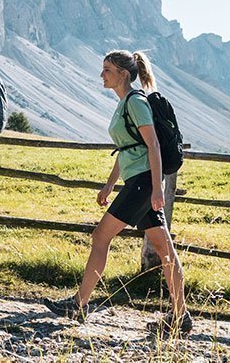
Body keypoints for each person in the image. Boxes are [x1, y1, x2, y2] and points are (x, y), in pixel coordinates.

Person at [43, 50, 192, 336]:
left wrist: (156, 189)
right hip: (139, 180)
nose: (102, 74)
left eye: (107, 69)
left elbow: (153, 146)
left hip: (143, 182)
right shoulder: (126, 103)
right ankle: (180, 317)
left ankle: (79, 304)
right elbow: (128, 149)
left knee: (100, 236)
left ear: (123, 73)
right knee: (165, 250)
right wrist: (110, 183)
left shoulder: (135, 103)